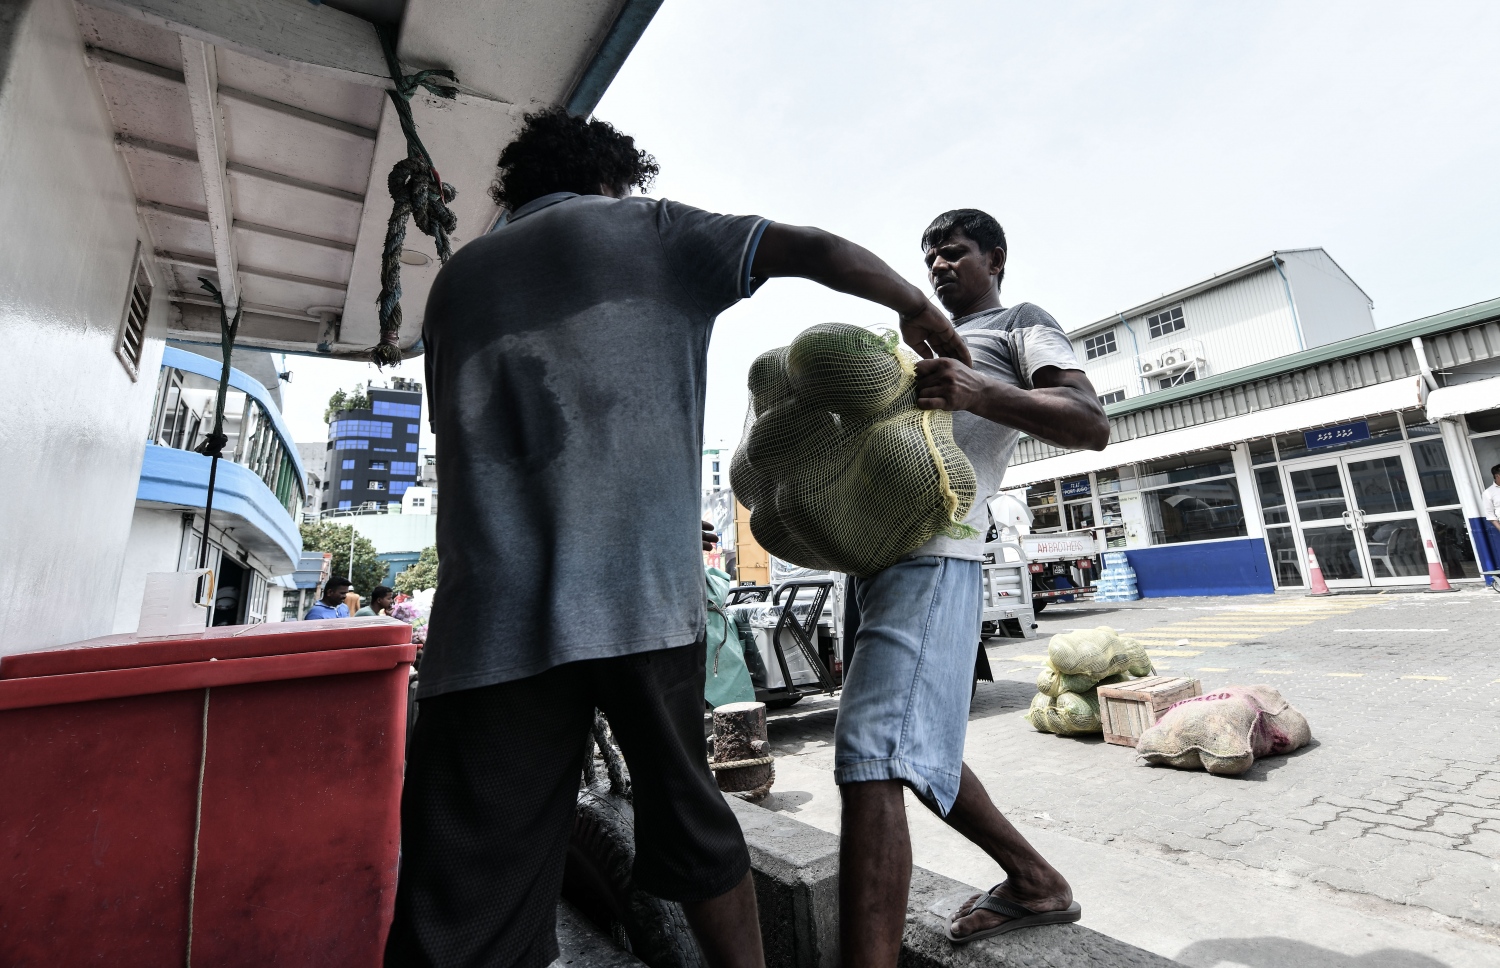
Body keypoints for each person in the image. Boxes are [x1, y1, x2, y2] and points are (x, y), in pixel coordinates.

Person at [384, 108, 969, 968]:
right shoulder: (652, 229)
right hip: (641, 604)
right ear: (613, 178)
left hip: (491, 624)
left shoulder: (457, 282)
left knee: (464, 888)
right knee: (693, 826)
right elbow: (812, 247)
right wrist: (915, 305)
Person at [834, 209, 1110, 964]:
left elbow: (1090, 422)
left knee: (871, 754)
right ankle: (1035, 881)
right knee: (918, 748)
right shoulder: (912, 346)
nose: (939, 266)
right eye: (930, 258)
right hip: (873, 558)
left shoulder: (1021, 323)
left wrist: (976, 390)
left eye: (954, 253)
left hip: (937, 548)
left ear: (995, 258)